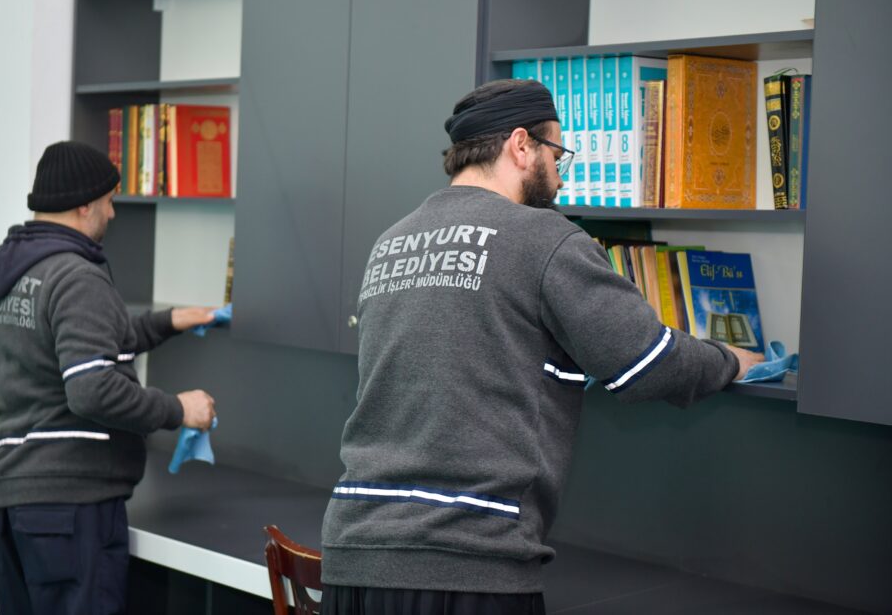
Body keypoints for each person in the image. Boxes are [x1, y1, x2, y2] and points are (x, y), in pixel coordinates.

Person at [320, 79, 763, 615]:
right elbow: (649, 363)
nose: (560, 175)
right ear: (521, 145)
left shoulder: (392, 241)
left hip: (352, 560)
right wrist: (731, 360)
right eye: (557, 154)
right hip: (467, 564)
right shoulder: (542, 237)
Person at [0, 140, 218, 615]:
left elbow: (80, 345)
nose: (112, 213)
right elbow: (91, 388)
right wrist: (178, 409)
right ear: (84, 205)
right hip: (69, 509)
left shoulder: (13, 270)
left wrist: (168, 321)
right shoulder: (76, 275)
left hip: (13, 500)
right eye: (109, 201)